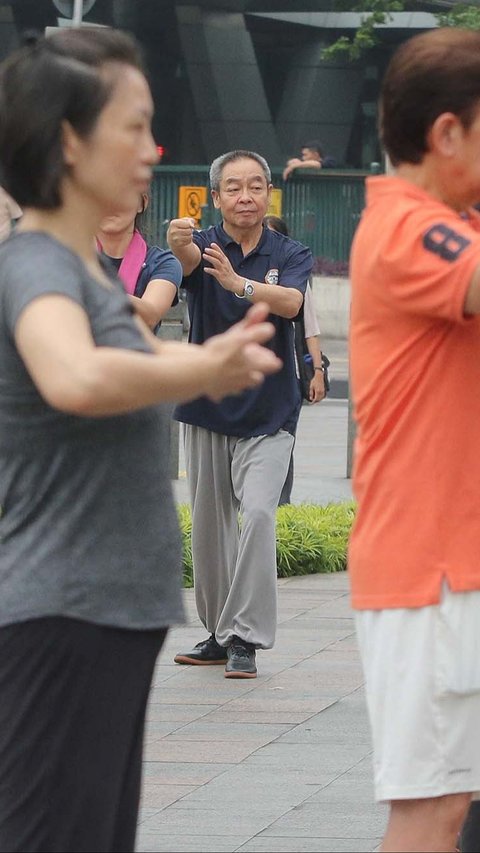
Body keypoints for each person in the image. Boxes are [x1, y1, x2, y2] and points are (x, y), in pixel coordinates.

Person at [0, 28, 281, 853]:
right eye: (132, 125)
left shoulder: (80, 269)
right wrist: (196, 367)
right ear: (67, 140)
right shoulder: (38, 266)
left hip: (101, 609)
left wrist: (209, 360)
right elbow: (77, 377)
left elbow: (136, 352)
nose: (150, 148)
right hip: (62, 608)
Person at [348, 27, 480, 853]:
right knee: (432, 810)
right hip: (428, 568)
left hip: (447, 561)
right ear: (447, 133)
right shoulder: (408, 227)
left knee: (450, 800)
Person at [167, 150, 312, 678]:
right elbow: (181, 265)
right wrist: (180, 243)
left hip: (271, 410)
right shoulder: (202, 246)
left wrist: (238, 284)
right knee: (209, 529)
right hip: (207, 403)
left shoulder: (290, 251)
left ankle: (245, 637)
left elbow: (292, 303)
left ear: (269, 192)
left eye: (254, 186)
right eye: (233, 187)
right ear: (215, 197)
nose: (245, 196)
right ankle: (216, 633)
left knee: (257, 515)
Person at [263, 214, 325, 504]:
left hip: (289, 374)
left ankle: (282, 504)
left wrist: (318, 372)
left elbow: (310, 328)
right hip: (252, 373)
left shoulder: (295, 276)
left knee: (283, 443)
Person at [97, 192, 181, 330]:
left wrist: (91, 289)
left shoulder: (162, 263)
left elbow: (149, 317)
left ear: (142, 203)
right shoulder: (68, 257)